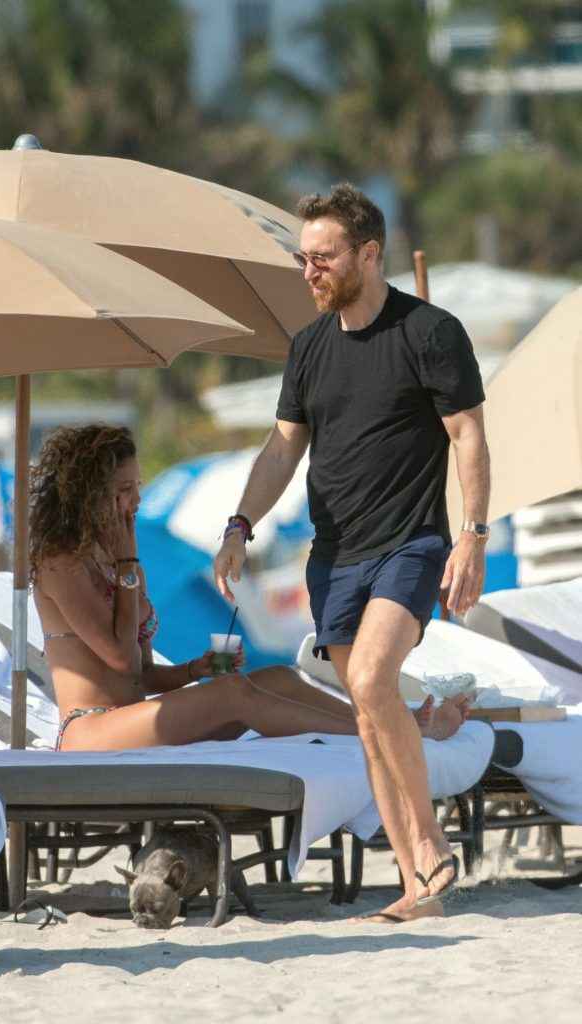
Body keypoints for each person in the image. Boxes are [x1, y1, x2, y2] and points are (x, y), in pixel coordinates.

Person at [214, 184, 490, 924]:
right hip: (332, 555)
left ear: (368, 254)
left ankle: (430, 845)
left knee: (371, 678)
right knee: (369, 714)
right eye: (303, 259)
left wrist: (472, 535)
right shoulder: (308, 348)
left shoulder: (430, 332)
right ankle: (416, 883)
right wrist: (240, 524)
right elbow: (283, 448)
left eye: (323, 257)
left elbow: (466, 432)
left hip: (410, 542)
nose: (309, 271)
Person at [30, 424, 467, 755]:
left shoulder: (120, 564)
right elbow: (120, 659)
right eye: (124, 491)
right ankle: (393, 736)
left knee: (276, 677)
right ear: (88, 494)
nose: (137, 502)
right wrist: (128, 565)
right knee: (234, 694)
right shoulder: (60, 563)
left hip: (131, 720)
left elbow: (140, 676)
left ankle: (389, 722)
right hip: (91, 731)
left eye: (138, 488)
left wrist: (193, 669)